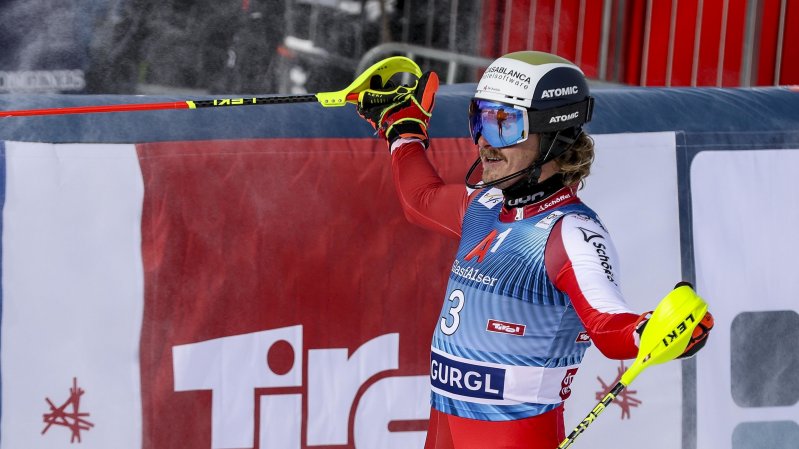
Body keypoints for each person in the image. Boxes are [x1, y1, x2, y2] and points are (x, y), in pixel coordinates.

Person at [355, 51, 714, 449]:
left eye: (503, 125)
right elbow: (421, 199)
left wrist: (652, 330)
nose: (483, 142)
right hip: (446, 424)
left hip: (514, 433)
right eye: (480, 119)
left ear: (552, 137)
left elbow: (608, 326)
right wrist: (403, 129)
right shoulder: (484, 205)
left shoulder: (570, 232)